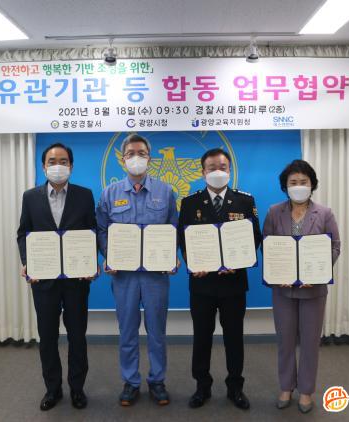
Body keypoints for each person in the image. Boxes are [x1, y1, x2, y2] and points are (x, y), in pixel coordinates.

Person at [96, 134, 178, 407]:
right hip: (124, 276)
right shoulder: (110, 193)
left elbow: (174, 228)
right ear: (123, 159)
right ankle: (130, 382)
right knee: (128, 331)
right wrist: (109, 255)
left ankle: (157, 381)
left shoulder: (165, 191)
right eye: (130, 153)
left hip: (156, 276)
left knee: (157, 332)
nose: (136, 158)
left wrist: (172, 255)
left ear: (149, 158)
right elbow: (101, 229)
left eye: (141, 153)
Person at [178, 148, 262, 410]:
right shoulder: (190, 202)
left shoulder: (244, 201)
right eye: (212, 167)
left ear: (230, 170)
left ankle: (235, 387)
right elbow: (183, 239)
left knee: (234, 338)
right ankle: (202, 387)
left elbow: (255, 237)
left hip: (233, 284)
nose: (217, 172)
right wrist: (193, 263)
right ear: (202, 172)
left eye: (222, 167)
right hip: (202, 284)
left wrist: (238, 262)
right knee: (201, 337)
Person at [16, 143, 97, 411]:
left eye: (63, 161)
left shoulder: (84, 196)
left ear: (71, 166)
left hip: (76, 281)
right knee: (48, 337)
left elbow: (92, 232)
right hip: (44, 281)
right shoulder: (30, 197)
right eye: (52, 161)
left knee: (77, 337)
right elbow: (23, 233)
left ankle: (77, 389)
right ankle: (53, 389)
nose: (58, 166)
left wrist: (91, 262)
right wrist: (27, 262)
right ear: (44, 166)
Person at [262, 159, 341, 414]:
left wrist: (317, 272)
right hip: (283, 289)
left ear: (312, 184)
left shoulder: (325, 213)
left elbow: (335, 246)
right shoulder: (274, 212)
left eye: (303, 182)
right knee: (285, 341)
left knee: (309, 342)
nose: (298, 186)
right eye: (293, 182)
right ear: (285, 186)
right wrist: (278, 271)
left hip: (313, 290)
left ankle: (306, 390)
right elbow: (267, 245)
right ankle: (286, 387)